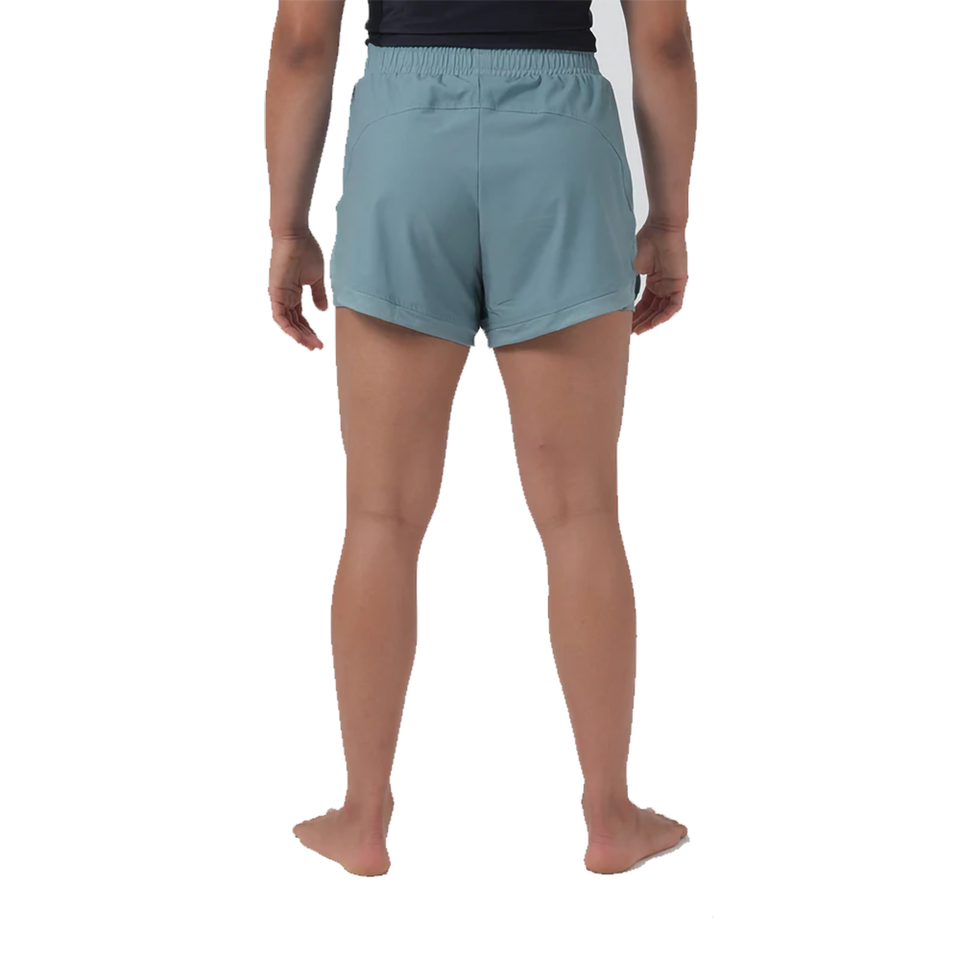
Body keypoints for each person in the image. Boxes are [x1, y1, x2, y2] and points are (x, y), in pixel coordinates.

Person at [265, 0, 695, 876]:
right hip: (560, 142)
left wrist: (286, 225)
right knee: (581, 513)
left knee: (381, 515)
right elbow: (663, 38)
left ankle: (363, 816)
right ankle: (610, 815)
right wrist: (671, 219)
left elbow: (304, 41)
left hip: (403, 138)